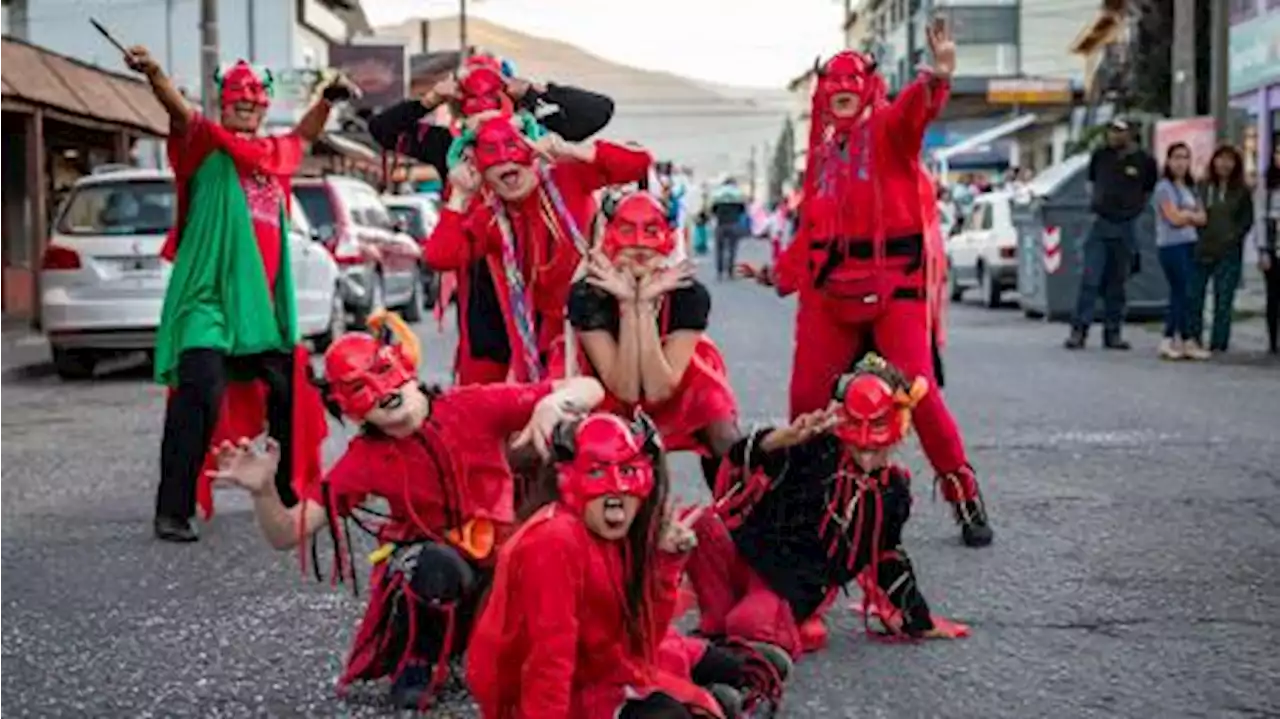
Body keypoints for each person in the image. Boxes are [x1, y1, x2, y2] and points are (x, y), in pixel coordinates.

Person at [206, 314, 606, 710]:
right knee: (433, 563)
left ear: (405, 365)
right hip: (439, 571)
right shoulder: (364, 459)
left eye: (381, 370)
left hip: (505, 565)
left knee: (553, 553)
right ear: (348, 408)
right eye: (358, 387)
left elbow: (589, 387)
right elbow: (287, 534)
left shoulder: (474, 405)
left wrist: (553, 403)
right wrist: (262, 492)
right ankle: (420, 659)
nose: (380, 390)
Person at [748, 21, 990, 559]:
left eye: (851, 82)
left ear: (866, 88)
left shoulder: (886, 131)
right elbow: (814, 231)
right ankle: (805, 502)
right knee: (807, 402)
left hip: (894, 287)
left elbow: (913, 113)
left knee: (918, 395)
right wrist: (778, 274)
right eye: (831, 84)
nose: (841, 90)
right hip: (830, 294)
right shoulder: (823, 158)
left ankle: (964, 494)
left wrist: (940, 75)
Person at [125, 45, 353, 543]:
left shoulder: (275, 155)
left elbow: (305, 135)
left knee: (290, 390)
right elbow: (178, 110)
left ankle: (288, 494)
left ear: (264, 106)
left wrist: (326, 100)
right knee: (199, 392)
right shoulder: (203, 143)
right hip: (207, 300)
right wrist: (155, 72)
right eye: (237, 100)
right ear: (223, 103)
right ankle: (173, 509)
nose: (246, 106)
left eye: (254, 101)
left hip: (260, 309)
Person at [466, 412, 788, 719]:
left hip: (604, 661)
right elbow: (548, 663)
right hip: (549, 689)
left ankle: (703, 691)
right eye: (596, 472)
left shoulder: (621, 530)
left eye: (628, 472)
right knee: (671, 712)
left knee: (737, 668)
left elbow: (643, 643)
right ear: (567, 479)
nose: (616, 488)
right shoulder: (555, 540)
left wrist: (665, 565)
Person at [686, 354, 969, 659]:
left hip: (791, 585)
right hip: (747, 555)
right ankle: (716, 622)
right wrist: (784, 438)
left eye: (875, 447)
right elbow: (740, 455)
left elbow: (887, 555)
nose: (866, 457)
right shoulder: (813, 448)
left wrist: (918, 620)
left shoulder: (893, 490)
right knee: (700, 523)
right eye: (858, 446)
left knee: (746, 624)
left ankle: (762, 623)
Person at [426, 113, 652, 384]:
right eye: (493, 159)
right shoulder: (490, 219)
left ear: (531, 154)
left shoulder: (568, 175)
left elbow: (638, 164)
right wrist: (460, 195)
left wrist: (571, 150)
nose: (506, 164)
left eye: (513, 151)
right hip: (545, 345)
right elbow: (441, 256)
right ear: (481, 173)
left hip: (606, 320)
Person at [549, 192, 739, 489]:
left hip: (674, 376)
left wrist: (644, 306)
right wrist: (629, 305)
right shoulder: (588, 294)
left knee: (725, 436)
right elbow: (624, 388)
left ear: (668, 237)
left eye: (650, 231)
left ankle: (737, 516)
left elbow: (658, 389)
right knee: (563, 438)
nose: (638, 244)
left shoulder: (688, 294)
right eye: (627, 230)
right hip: (601, 382)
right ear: (609, 236)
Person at [368, 54, 615, 183]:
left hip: (537, 265)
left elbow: (599, 110)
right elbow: (381, 129)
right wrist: (429, 100)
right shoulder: (447, 145)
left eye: (493, 92)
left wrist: (535, 91)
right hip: (476, 268)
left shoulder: (538, 136)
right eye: (471, 95)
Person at [1064, 118, 1158, 351]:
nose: (1115, 136)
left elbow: (1148, 190)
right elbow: (1091, 183)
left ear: (1130, 134)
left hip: (1126, 224)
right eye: (1112, 131)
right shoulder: (1100, 155)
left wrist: (1133, 209)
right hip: (1100, 222)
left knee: (1117, 282)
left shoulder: (1144, 161)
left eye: (1120, 132)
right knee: (1090, 279)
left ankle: (1113, 332)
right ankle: (1079, 330)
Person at [1188, 144, 1254, 355]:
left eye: (1229, 160)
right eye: (1220, 159)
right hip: (1202, 248)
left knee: (1224, 299)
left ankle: (1219, 342)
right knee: (1195, 296)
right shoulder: (1203, 186)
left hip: (1229, 252)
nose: (1224, 164)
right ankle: (1194, 337)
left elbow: (1246, 220)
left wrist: (1233, 237)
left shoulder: (1241, 191)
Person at [1152, 142, 1208, 360]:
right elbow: (1173, 218)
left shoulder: (1189, 187)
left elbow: (1202, 217)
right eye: (1176, 157)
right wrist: (1188, 215)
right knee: (1180, 291)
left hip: (1189, 243)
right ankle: (1168, 338)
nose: (1181, 162)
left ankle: (1185, 340)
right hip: (1170, 245)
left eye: (1185, 157)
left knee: (1185, 293)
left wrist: (1188, 215)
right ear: (1168, 160)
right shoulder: (1164, 187)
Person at [1260, 146, 1280, 355]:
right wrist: (1262, 249)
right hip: (1273, 246)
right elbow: (1260, 217)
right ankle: (1273, 340)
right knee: (1273, 295)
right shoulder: (1267, 186)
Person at [710, 177, 749, 280]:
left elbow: (713, 210)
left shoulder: (718, 196)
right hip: (733, 224)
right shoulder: (737, 196)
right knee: (732, 249)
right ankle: (730, 271)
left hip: (721, 224)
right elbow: (742, 210)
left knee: (719, 249)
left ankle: (719, 271)